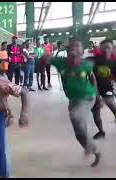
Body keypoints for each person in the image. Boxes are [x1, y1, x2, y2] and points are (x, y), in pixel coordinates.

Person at [50, 39, 101, 167]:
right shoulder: (60, 62)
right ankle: (94, 150)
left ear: (82, 51)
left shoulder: (86, 65)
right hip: (73, 100)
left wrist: (97, 95)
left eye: (78, 46)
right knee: (79, 134)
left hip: (87, 97)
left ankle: (92, 147)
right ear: (67, 51)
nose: (74, 48)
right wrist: (46, 55)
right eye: (71, 46)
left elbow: (92, 77)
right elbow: (46, 58)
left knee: (76, 116)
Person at [90, 39, 116, 140]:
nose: (106, 50)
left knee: (112, 105)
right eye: (104, 47)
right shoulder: (94, 60)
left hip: (107, 89)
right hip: (93, 89)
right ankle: (101, 132)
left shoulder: (113, 63)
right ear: (100, 49)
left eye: (108, 47)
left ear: (112, 49)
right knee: (96, 114)